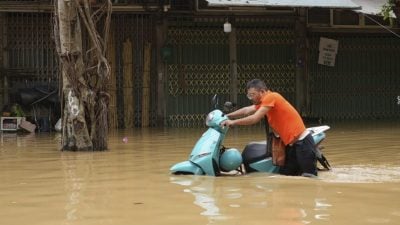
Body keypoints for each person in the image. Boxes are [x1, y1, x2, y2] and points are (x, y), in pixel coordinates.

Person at [220, 79, 318, 176]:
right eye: (249, 95)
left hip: (302, 142)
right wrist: (227, 116)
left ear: (262, 91)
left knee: (309, 176)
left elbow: (254, 118)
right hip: (291, 145)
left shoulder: (271, 97)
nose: (251, 98)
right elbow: (247, 110)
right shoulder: (265, 102)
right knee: (286, 175)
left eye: (252, 95)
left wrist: (233, 122)